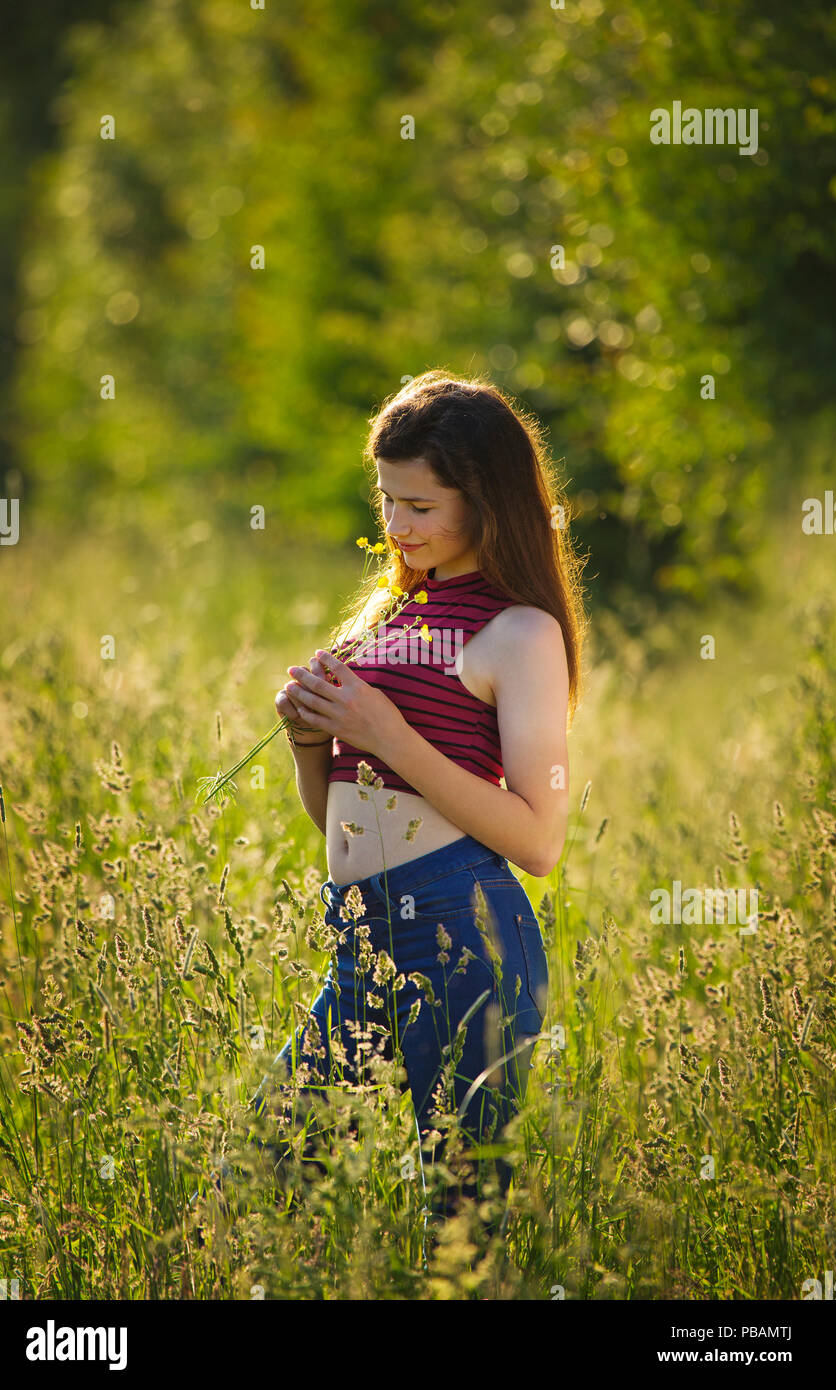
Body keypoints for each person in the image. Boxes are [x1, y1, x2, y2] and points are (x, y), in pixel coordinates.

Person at [250, 369, 587, 1244]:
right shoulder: (387, 614)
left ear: (485, 502)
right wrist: (311, 743)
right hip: (359, 935)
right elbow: (338, 825)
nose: (397, 526)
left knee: (462, 1222)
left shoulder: (520, 633)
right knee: (265, 1175)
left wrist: (389, 733)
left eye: (421, 507)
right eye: (387, 501)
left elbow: (540, 841)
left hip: (464, 933)